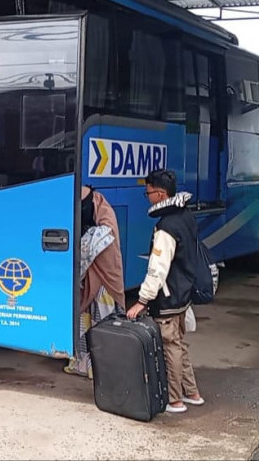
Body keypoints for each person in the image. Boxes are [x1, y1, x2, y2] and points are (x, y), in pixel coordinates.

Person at [126, 169, 204, 414]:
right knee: (179, 344)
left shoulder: (166, 227)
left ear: (160, 194)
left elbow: (157, 269)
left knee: (169, 347)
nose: (146, 196)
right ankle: (192, 393)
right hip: (183, 294)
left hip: (169, 297)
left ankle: (175, 400)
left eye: (148, 192)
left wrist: (142, 300)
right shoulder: (185, 215)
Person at [64, 186, 126, 378]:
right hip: (89, 287)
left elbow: (94, 252)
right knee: (84, 327)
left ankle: (100, 367)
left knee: (102, 328)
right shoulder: (98, 215)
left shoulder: (104, 229)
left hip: (105, 289)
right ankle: (83, 364)